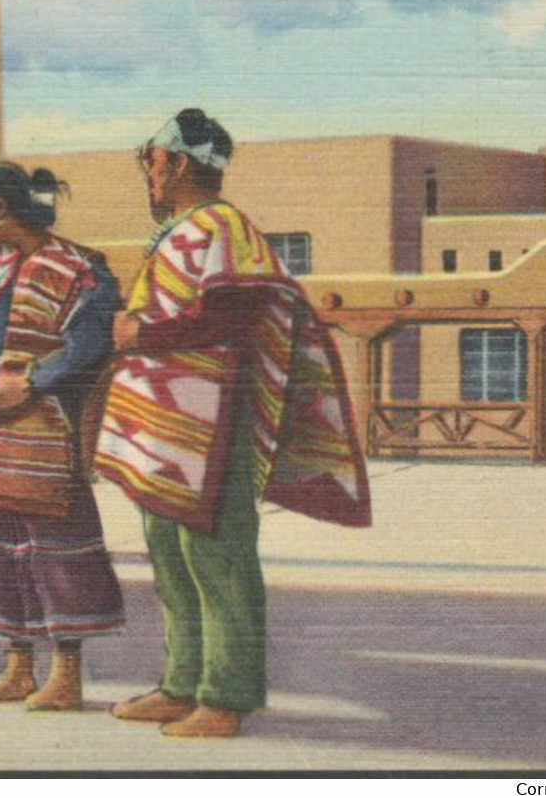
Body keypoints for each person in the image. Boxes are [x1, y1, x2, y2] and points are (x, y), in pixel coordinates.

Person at [93, 109, 371, 739]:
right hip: (169, 429)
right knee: (170, 553)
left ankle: (226, 696)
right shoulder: (184, 229)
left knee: (217, 557)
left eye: (153, 163)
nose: (150, 176)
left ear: (179, 163)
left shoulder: (223, 225)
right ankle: (182, 683)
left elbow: (235, 317)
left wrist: (145, 333)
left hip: (214, 424)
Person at [0, 161, 126, 712]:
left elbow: (89, 344)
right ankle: (19, 664)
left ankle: (67, 674)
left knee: (55, 547)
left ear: (2, 210)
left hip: (46, 425)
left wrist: (31, 383)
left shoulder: (82, 268)